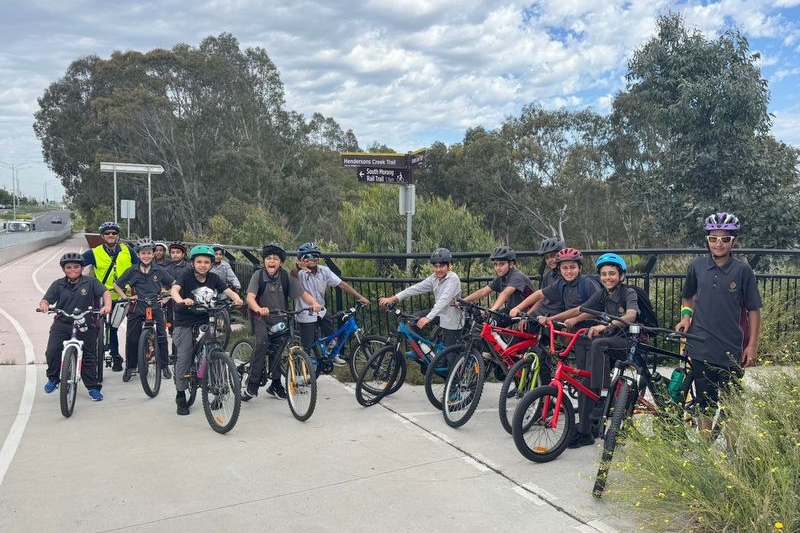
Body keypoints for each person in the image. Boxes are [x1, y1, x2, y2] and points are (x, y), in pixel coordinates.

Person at [676, 212, 762, 434]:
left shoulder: (743, 270)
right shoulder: (696, 267)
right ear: (707, 240)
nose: (719, 244)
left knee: (732, 406)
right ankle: (706, 455)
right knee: (705, 405)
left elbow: (754, 309)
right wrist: (686, 317)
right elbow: (688, 296)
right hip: (700, 345)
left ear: (735, 241)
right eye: (713, 238)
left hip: (730, 348)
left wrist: (752, 345)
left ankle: (733, 453)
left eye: (725, 239)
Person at [543, 253, 639, 447]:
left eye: (612, 273)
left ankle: (602, 399)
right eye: (603, 274)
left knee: (598, 344)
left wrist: (604, 327)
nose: (607, 277)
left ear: (621, 276)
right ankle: (585, 431)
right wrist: (551, 320)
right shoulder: (603, 293)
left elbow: (631, 315)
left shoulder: (628, 293)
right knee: (585, 382)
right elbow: (581, 309)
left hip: (627, 343)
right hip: (607, 343)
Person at [510, 247, 600, 448]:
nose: (569, 271)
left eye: (573, 267)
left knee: (586, 382)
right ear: (559, 270)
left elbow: (593, 309)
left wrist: (568, 319)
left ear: (580, 268)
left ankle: (586, 429)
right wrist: (520, 308)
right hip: (575, 337)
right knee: (582, 380)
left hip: (593, 336)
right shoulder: (561, 285)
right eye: (565, 268)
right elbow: (539, 294)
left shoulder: (588, 284)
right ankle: (587, 423)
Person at [169, 245, 243, 416]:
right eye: (199, 262)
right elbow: (175, 290)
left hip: (206, 317)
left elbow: (227, 291)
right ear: (193, 263)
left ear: (211, 264)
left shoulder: (214, 277)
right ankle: (180, 395)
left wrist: (237, 298)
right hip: (185, 320)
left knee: (215, 349)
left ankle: (217, 388)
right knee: (185, 354)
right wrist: (181, 300)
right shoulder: (186, 275)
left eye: (206, 262)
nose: (202, 265)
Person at [244, 242, 321, 401]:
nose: (271, 261)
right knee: (263, 343)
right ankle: (252, 383)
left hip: (279, 317)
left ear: (281, 262)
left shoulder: (285, 276)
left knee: (279, 346)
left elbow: (302, 293)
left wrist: (313, 303)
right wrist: (258, 308)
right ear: (264, 261)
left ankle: (276, 384)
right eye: (268, 258)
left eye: (275, 258)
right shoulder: (258, 276)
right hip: (260, 317)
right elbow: (250, 298)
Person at [39, 252, 112, 401]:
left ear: (82, 268)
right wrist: (44, 305)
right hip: (62, 323)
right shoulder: (58, 284)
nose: (72, 270)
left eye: (76, 267)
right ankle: (53, 378)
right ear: (63, 269)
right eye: (69, 267)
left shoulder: (91, 282)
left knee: (89, 357)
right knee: (52, 351)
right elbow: (46, 299)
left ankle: (92, 388)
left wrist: (107, 306)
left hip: (85, 324)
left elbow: (105, 293)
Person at [291, 242, 370, 366]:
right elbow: (292, 274)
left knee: (332, 334)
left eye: (315, 256)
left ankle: (333, 355)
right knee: (307, 346)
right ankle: (302, 372)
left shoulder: (324, 270)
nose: (312, 259)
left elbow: (341, 284)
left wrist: (359, 297)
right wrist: (299, 267)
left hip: (321, 310)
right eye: (307, 256)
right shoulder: (299, 273)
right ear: (301, 258)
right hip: (305, 312)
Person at [113, 237, 175, 383]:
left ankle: (164, 365)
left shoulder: (159, 270)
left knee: (161, 336)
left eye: (149, 253)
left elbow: (173, 283)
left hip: (155, 306)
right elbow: (117, 285)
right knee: (132, 338)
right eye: (143, 253)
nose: (146, 256)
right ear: (139, 255)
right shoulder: (132, 270)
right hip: (137, 307)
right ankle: (130, 367)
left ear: (153, 254)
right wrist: (126, 297)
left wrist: (166, 296)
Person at [378, 248, 463, 349]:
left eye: (442, 266)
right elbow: (417, 288)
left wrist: (428, 318)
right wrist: (394, 298)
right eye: (436, 266)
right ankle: (425, 350)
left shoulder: (453, 279)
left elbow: (443, 300)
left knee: (451, 356)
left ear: (449, 266)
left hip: (451, 317)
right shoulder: (434, 278)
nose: (438, 270)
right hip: (439, 313)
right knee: (412, 321)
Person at [82, 221, 138, 372]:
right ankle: (114, 355)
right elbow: (77, 265)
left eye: (114, 233)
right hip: (103, 295)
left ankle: (136, 357)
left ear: (118, 235)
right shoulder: (94, 253)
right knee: (99, 327)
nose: (111, 235)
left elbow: (139, 268)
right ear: (102, 236)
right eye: (107, 233)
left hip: (124, 295)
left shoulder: (128, 251)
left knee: (130, 326)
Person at [459, 246, 534, 318]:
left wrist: (492, 310)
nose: (498, 268)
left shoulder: (517, 276)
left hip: (529, 313)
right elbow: (484, 291)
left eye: (501, 264)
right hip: (511, 310)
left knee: (493, 319)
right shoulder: (501, 277)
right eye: (496, 264)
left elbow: (505, 294)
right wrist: (463, 301)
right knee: (488, 321)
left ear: (511, 264)